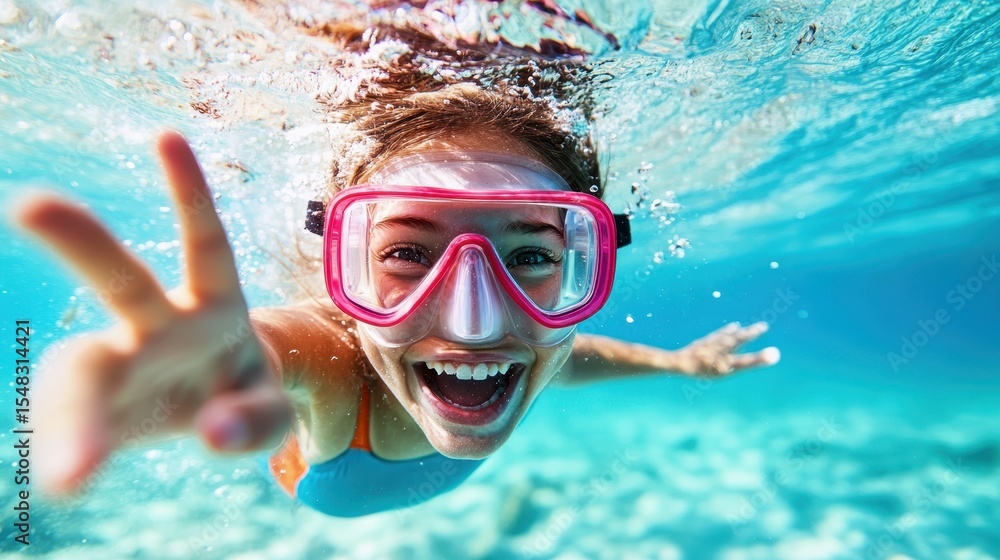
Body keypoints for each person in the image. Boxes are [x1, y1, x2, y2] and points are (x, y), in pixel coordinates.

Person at [15, 11, 779, 518]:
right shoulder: (329, 361)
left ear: (584, 259)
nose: (476, 323)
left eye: (533, 256)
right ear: (342, 270)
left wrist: (678, 364)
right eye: (409, 254)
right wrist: (114, 396)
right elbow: (259, 350)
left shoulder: (538, 347)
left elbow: (581, 358)